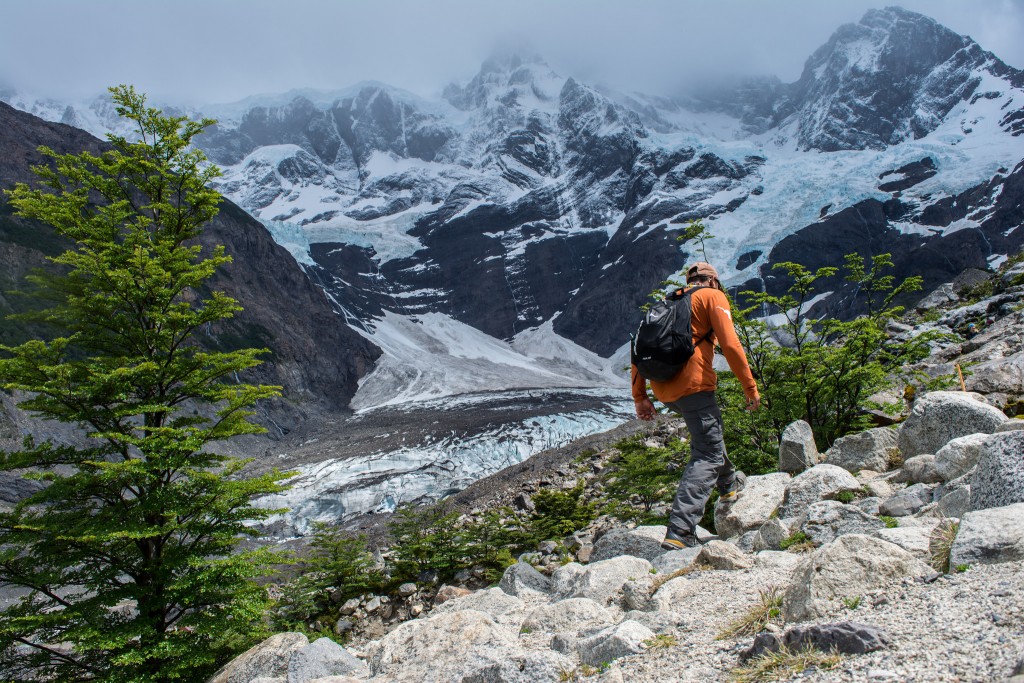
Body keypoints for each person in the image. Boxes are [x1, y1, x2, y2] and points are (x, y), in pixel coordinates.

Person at [632, 261, 761, 550]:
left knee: (708, 438)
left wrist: (640, 396)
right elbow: (730, 345)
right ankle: (680, 530)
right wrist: (749, 386)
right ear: (713, 281)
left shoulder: (667, 303)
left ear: (689, 281)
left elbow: (639, 350)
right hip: (694, 385)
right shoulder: (713, 296)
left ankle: (729, 486)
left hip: (664, 387)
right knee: (707, 454)